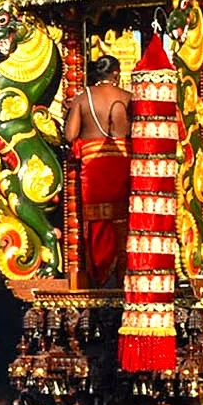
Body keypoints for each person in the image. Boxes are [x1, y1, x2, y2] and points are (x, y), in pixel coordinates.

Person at [63, 55, 133, 289]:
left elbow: (70, 135)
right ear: (116, 74)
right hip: (122, 162)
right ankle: (122, 275)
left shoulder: (83, 98)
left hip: (93, 165)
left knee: (96, 220)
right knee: (123, 219)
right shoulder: (128, 98)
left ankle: (98, 273)